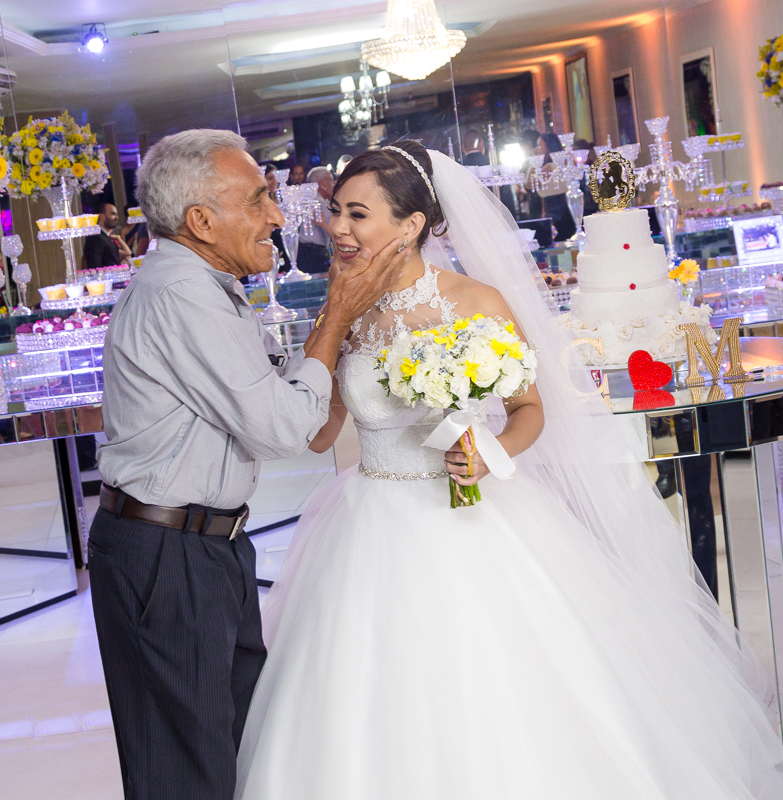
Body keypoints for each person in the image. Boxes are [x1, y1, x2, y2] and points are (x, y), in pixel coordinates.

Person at [235, 140, 783, 799]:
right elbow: (319, 432)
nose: (337, 228)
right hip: (366, 522)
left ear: (411, 224)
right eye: (335, 212)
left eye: (357, 214)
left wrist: (488, 453)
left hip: (472, 518)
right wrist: (329, 328)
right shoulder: (342, 311)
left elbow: (528, 410)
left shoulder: (477, 302)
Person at [87, 129, 410, 800]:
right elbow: (282, 428)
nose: (277, 216)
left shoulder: (209, 287)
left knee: (232, 746)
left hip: (203, 545)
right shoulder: (181, 294)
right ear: (200, 221)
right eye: (259, 199)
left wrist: (341, 327)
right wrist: (337, 313)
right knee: (185, 768)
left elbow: (282, 401)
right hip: (166, 553)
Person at [525, 132, 576, 240]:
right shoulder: (560, 165)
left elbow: (529, 185)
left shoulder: (550, 167)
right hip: (563, 212)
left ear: (549, 146)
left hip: (556, 215)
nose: (537, 148)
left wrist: (535, 159)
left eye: (540, 145)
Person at [296, 166, 333, 274]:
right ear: (321, 183)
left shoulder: (310, 200)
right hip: (313, 254)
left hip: (308, 253)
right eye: (330, 180)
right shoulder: (318, 202)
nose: (333, 184)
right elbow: (334, 232)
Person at [83, 202, 133, 269]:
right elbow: (95, 266)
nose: (117, 217)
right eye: (113, 214)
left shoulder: (107, 237)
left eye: (116, 214)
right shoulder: (95, 237)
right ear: (102, 216)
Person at [263, 164, 290, 272]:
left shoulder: (282, 200)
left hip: (283, 245)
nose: (274, 182)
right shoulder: (260, 203)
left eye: (276, 178)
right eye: (270, 178)